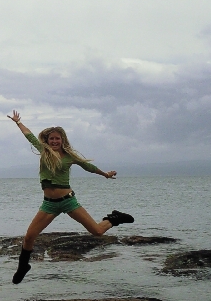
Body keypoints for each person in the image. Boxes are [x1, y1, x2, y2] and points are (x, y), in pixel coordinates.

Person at [8, 110, 134, 284]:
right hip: (49, 205)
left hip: (68, 201)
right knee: (29, 237)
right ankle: (23, 266)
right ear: (47, 140)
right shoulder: (43, 151)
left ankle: (115, 218)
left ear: (62, 140)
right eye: (51, 138)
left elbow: (87, 166)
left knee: (97, 231)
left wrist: (105, 174)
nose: (54, 141)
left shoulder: (69, 157)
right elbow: (28, 135)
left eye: (57, 139)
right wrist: (17, 122)